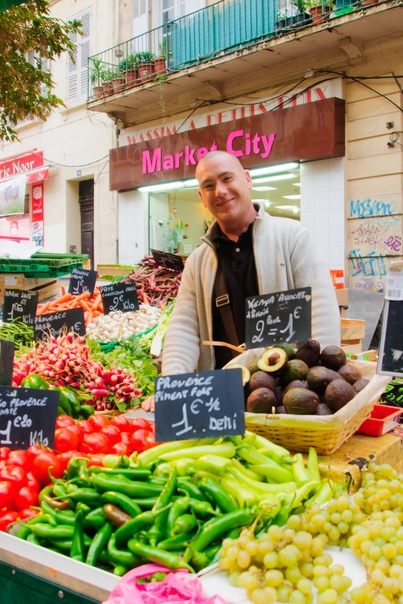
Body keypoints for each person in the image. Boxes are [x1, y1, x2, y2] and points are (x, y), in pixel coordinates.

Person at [142, 150, 340, 411]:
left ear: (247, 179)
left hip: (286, 399)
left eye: (227, 179)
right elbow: (184, 329)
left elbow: (321, 312)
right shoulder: (198, 261)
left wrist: (319, 387)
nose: (220, 191)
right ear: (201, 197)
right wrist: (172, 387)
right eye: (209, 186)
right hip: (219, 401)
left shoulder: (293, 238)